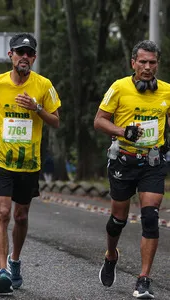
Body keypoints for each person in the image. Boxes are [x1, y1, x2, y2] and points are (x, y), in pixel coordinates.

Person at [0, 32, 61, 296]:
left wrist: (37, 108)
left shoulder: (44, 85)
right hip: (1, 158)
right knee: (3, 212)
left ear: (34, 58)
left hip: (29, 162)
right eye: (20, 52)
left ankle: (15, 261)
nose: (24, 57)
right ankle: (2, 271)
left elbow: (56, 120)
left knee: (21, 215)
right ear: (10, 55)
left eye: (29, 53)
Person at [94, 40, 170, 299]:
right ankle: (111, 254)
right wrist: (122, 131)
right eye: (143, 62)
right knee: (118, 221)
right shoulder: (119, 87)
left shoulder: (167, 91)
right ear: (133, 63)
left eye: (152, 62)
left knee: (150, 217)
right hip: (123, 161)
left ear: (157, 64)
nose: (148, 67)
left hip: (152, 162)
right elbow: (99, 121)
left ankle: (144, 279)